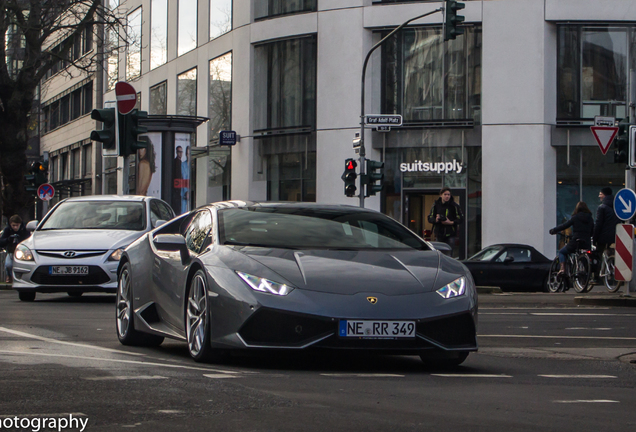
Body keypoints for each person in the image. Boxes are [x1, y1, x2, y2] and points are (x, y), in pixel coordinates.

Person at [549, 201, 594, 274]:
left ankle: (562, 269)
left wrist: (554, 230)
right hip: (586, 242)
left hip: (576, 241)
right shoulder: (590, 219)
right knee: (585, 256)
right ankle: (587, 273)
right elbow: (592, 231)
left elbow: (564, 225)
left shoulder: (575, 217)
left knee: (562, 252)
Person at [427, 187, 464, 257]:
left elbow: (461, 218)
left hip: (450, 234)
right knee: (439, 254)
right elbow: (430, 217)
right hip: (439, 233)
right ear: (441, 195)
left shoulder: (454, 206)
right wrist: (436, 220)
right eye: (445, 194)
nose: (447, 196)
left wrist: (451, 222)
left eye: (448, 195)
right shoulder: (436, 205)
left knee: (449, 254)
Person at [0, 215, 30, 283]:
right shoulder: (8, 230)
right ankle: (9, 276)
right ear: (10, 224)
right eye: (13, 225)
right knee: (8, 265)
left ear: (20, 224)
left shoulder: (24, 229)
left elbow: (28, 239)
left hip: (23, 252)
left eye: (17, 225)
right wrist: (8, 240)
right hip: (11, 251)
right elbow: (1, 241)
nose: (15, 227)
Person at [593, 187, 621, 256]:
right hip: (615, 236)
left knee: (598, 255)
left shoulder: (602, 207)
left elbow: (598, 224)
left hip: (603, 238)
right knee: (612, 255)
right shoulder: (617, 207)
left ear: (605, 195)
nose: (599, 196)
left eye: (601, 194)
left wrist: (594, 238)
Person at [181, 146, 190, 214]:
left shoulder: (193, 164)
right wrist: (186, 191)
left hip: (192, 191)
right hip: (184, 192)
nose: (188, 155)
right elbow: (183, 178)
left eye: (189, 154)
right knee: (183, 211)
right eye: (187, 153)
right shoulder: (183, 164)